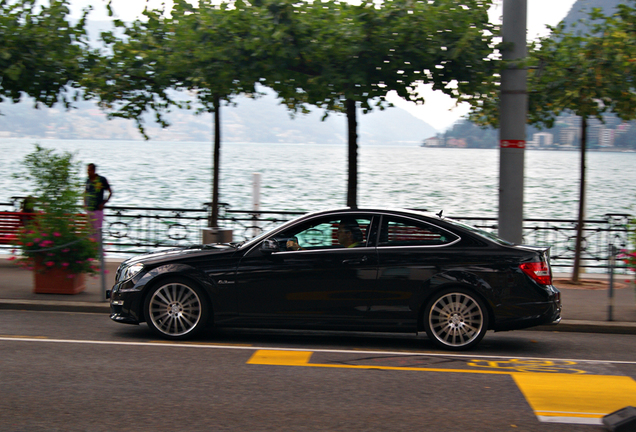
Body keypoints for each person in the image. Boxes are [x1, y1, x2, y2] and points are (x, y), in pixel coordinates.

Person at [84, 163, 112, 239]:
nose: (88, 172)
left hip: (98, 210)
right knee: (90, 231)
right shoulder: (88, 180)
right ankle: (92, 248)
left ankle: (98, 249)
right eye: (87, 170)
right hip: (89, 209)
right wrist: (85, 204)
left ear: (93, 171)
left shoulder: (102, 180)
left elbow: (110, 192)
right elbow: (85, 192)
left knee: (98, 231)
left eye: (89, 170)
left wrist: (104, 203)